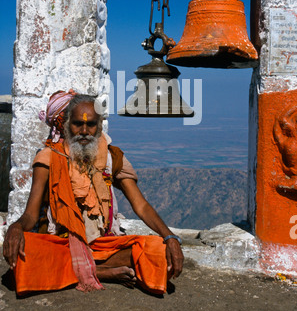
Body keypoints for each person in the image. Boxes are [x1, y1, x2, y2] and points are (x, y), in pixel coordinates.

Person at [3, 90, 184, 295]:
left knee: (160, 252)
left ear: (99, 127)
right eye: (77, 123)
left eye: (91, 125)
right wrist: (16, 228)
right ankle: (98, 271)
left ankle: (86, 268)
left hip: (103, 246)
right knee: (21, 257)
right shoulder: (48, 158)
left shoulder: (111, 158)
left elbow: (140, 205)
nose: (84, 131)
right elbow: (31, 214)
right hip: (64, 246)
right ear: (66, 125)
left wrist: (170, 237)